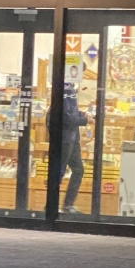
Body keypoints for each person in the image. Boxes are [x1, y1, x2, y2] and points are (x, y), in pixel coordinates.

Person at [48, 87, 88, 215]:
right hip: (64, 139)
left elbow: (70, 113)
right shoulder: (65, 90)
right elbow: (66, 118)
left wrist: (82, 115)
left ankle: (68, 204)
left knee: (78, 170)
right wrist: (85, 120)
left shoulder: (71, 90)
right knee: (59, 172)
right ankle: (51, 205)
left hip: (72, 139)